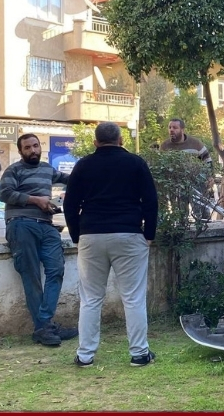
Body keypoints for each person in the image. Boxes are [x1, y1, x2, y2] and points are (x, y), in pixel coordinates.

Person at [63, 122, 159, 368]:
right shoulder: (135, 163)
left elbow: (70, 204)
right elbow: (150, 200)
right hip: (128, 234)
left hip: (91, 235)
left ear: (95, 142)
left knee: (91, 299)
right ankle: (139, 353)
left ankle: (85, 355)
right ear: (121, 140)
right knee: (133, 297)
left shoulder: (83, 165)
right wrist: (149, 233)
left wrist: (77, 234)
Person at [0, 133, 78, 347]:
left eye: (35, 146)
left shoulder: (47, 169)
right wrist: (36, 200)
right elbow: (4, 194)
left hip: (47, 226)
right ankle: (46, 327)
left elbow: (70, 179)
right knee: (31, 275)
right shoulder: (14, 170)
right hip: (21, 224)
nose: (33, 150)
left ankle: (43, 325)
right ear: (21, 151)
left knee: (56, 270)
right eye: (27, 148)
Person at [160, 118, 213, 220]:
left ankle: (206, 229)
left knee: (201, 211)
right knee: (180, 213)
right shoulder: (165, 146)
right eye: (170, 127)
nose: (171, 130)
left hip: (196, 184)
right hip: (176, 185)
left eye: (175, 127)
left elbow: (207, 160)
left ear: (182, 130)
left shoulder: (195, 143)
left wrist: (210, 176)